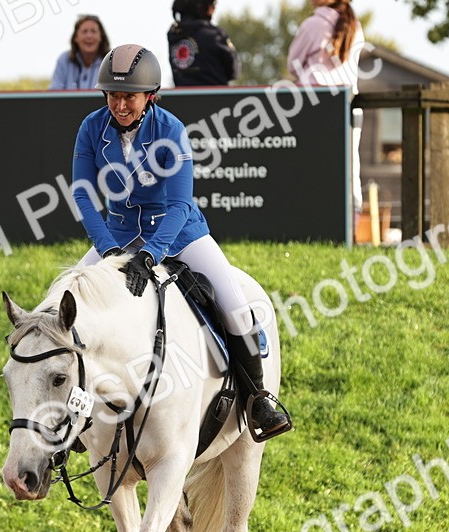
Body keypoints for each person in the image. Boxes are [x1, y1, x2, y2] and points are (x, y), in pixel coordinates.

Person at [71, 44, 292, 441]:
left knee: (237, 308)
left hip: (178, 235)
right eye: (113, 95)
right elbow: (84, 195)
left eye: (128, 97)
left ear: (149, 96)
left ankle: (259, 399)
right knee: (62, 309)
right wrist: (107, 250)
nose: (119, 104)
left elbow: (179, 203)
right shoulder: (91, 127)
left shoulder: (170, 130)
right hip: (117, 236)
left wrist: (149, 255)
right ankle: (69, 420)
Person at [288, 0, 366, 212]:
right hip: (350, 106)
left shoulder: (312, 25)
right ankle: (352, 219)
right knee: (351, 167)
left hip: (316, 106)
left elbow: (292, 64)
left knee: (312, 166)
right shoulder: (356, 26)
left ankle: (314, 215)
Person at [167, 0, 240, 87]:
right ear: (203, 6)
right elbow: (234, 72)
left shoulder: (173, 35)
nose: (214, 9)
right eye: (212, 4)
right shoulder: (215, 35)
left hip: (183, 99)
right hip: (216, 98)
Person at [49, 15, 109, 90]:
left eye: (93, 31)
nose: (89, 36)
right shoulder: (64, 60)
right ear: (75, 37)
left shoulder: (111, 62)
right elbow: (54, 92)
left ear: (101, 37)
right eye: (84, 31)